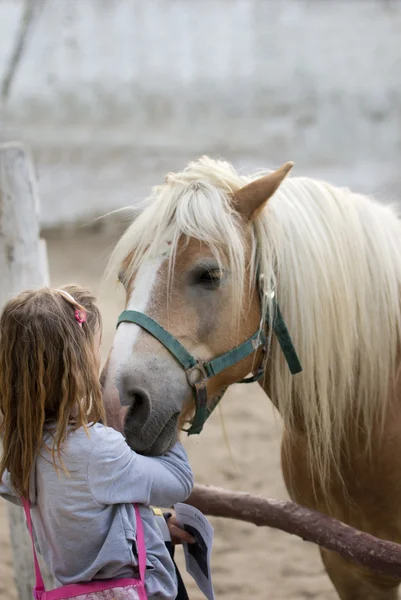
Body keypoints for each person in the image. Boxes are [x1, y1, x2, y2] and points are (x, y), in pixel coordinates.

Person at [0, 286, 194, 600]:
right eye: (95, 349)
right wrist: (166, 405)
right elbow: (179, 481)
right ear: (76, 366)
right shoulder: (98, 450)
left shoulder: (20, 450)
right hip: (143, 591)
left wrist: (151, 526)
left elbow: (85, 513)